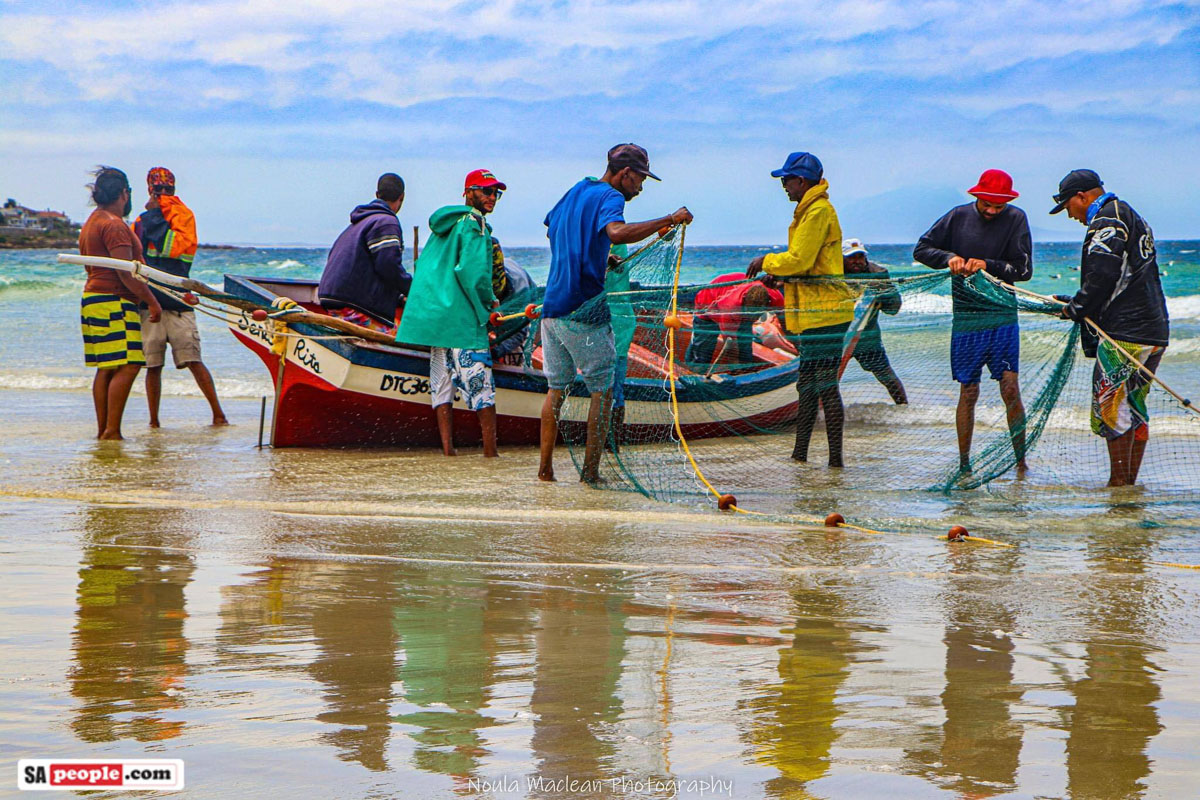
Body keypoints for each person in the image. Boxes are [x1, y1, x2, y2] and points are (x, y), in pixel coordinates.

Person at [538, 143, 692, 484]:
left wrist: (596, 257)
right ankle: (591, 474)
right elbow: (617, 232)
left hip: (551, 312)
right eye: (640, 180)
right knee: (603, 391)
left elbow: (553, 228)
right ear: (625, 174)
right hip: (584, 308)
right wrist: (669, 219)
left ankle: (545, 471)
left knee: (556, 392)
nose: (640, 188)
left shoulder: (578, 189)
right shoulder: (611, 197)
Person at [1050, 169, 1169, 486]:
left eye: (1068, 207)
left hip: (1124, 334)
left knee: (1111, 410)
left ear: (1081, 197)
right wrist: (1078, 300)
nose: (1070, 215)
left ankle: (1118, 485)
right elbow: (1122, 275)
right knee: (1135, 406)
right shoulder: (1130, 214)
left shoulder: (1106, 219)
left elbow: (1103, 273)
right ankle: (1128, 484)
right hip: (1154, 330)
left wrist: (1077, 308)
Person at [914, 169, 1033, 477]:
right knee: (968, 391)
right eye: (987, 205)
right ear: (976, 196)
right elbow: (922, 249)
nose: (993, 211)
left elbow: (1023, 270)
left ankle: (1021, 462)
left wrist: (988, 265)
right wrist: (949, 258)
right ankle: (964, 463)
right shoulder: (957, 217)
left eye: (999, 206)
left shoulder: (1016, 219)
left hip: (1002, 315)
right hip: (966, 318)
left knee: (1009, 388)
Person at [747, 151, 856, 468]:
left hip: (826, 314)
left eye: (786, 180)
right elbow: (805, 263)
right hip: (812, 314)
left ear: (801, 180)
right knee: (806, 386)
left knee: (824, 386)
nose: (783, 185)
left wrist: (765, 261)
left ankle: (835, 461)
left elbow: (801, 260)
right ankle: (800, 455)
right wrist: (779, 274)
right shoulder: (808, 211)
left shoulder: (818, 211)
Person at [396, 169, 506, 458]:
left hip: (436, 321)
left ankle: (448, 452)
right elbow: (473, 273)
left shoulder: (445, 226)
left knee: (441, 388)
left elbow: (426, 271)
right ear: (469, 193)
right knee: (481, 390)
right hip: (461, 321)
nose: (492, 197)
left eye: (496, 192)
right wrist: (488, 305)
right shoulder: (474, 223)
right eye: (486, 191)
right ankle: (491, 456)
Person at [132, 167, 228, 427]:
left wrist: (154, 213)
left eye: (169, 190)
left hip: (179, 304)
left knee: (193, 359)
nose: (164, 195)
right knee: (152, 366)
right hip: (149, 306)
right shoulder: (140, 222)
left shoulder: (184, 217)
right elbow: (135, 260)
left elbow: (171, 248)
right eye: (158, 190)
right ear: (150, 191)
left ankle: (218, 415)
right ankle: (153, 421)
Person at [78, 166, 163, 440]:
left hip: (94, 298)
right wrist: (151, 301)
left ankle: (104, 430)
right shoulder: (114, 225)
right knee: (130, 363)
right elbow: (125, 272)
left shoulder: (92, 221)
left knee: (108, 365)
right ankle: (112, 430)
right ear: (124, 194)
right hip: (114, 299)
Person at [317, 173, 411, 333]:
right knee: (404, 336)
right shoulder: (386, 222)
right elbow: (388, 266)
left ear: (377, 194)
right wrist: (413, 290)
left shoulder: (358, 223)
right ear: (401, 197)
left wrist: (398, 298)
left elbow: (368, 272)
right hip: (354, 307)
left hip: (332, 302)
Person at [841, 238, 907, 404]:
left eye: (859, 257)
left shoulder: (877, 274)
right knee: (826, 378)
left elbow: (893, 309)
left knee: (885, 375)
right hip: (835, 335)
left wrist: (883, 291)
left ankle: (904, 408)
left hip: (866, 334)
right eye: (851, 257)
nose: (856, 261)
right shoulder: (831, 272)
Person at [685, 273, 783, 370]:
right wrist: (733, 365)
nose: (754, 319)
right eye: (749, 314)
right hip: (707, 302)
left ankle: (746, 371)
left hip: (737, 309)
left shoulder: (775, 296)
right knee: (703, 348)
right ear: (743, 302)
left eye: (757, 315)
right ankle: (693, 369)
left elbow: (786, 322)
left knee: (745, 350)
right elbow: (730, 345)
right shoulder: (729, 307)